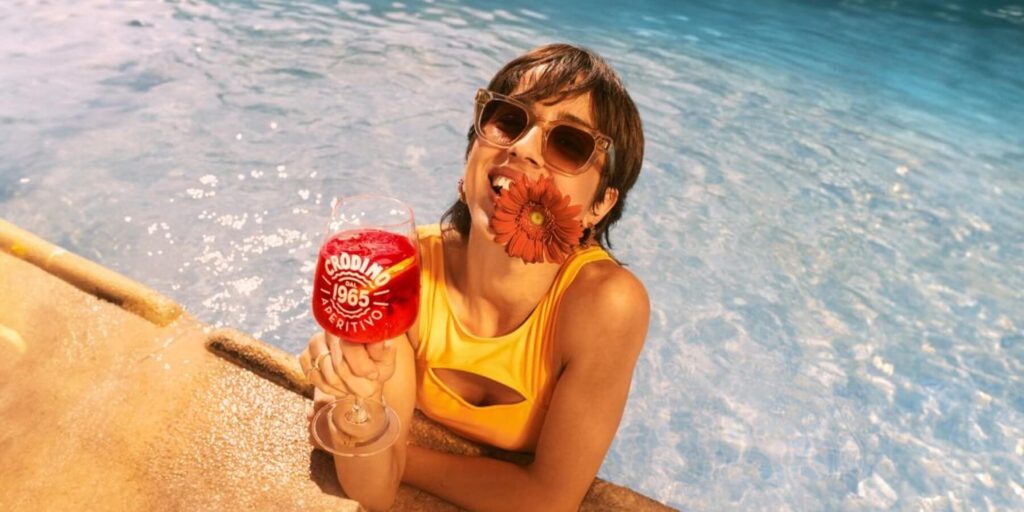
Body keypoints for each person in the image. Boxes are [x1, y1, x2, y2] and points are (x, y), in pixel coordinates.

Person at [300, 43, 648, 512]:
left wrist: (399, 453)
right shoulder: (401, 277)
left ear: (601, 204)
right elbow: (374, 492)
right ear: (470, 159)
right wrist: (357, 406)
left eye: (570, 143)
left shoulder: (605, 305)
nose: (522, 147)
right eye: (508, 119)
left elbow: (548, 501)